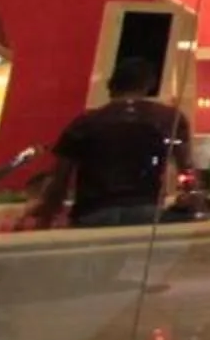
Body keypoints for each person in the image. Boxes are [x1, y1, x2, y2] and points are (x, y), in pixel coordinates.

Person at [35, 59, 187, 229]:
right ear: (149, 84)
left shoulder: (84, 123)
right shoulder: (168, 118)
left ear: (111, 86)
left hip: (92, 212)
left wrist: (45, 216)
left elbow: (60, 179)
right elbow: (186, 168)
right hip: (145, 208)